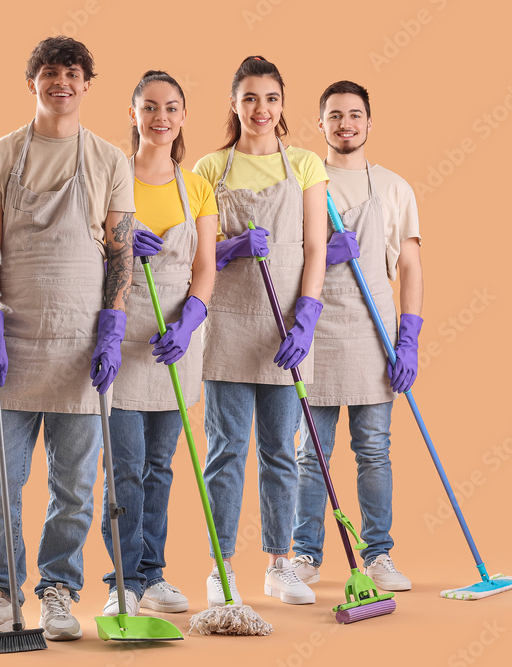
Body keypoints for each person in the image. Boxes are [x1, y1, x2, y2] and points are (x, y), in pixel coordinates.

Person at [0, 35, 135, 643]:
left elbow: (119, 251)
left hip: (83, 347)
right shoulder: (0, 156)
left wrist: (111, 328)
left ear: (87, 83)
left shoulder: (110, 160)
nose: (62, 82)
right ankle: (0, 595)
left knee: (75, 489)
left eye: (73, 73)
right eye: (50, 72)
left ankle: (58, 591)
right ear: (32, 82)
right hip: (14, 346)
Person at [193, 55, 328, 607]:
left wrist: (308, 317)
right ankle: (221, 569)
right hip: (226, 327)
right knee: (225, 451)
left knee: (279, 449)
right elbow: (196, 254)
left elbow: (316, 248)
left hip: (285, 329)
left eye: (271, 98)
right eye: (250, 98)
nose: (261, 109)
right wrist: (230, 248)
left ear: (282, 104)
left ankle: (279, 565)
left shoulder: (305, 166)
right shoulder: (208, 169)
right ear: (234, 104)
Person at [291, 80, 423, 592]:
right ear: (319, 124)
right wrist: (320, 253)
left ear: (369, 123)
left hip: (375, 336)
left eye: (355, 115)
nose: (345, 123)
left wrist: (408, 338)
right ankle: (303, 554)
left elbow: (410, 265)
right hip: (316, 332)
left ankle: (380, 554)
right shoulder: (304, 181)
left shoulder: (393, 187)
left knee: (373, 449)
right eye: (335, 115)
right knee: (310, 453)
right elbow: (285, 257)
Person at [99, 70, 218, 617]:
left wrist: (190, 323)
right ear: (133, 114)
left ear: (183, 117)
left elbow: (206, 269)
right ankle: (121, 579)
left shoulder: (196, 186)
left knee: (161, 466)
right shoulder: (111, 176)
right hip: (123, 336)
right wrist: (116, 247)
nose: (160, 117)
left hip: (175, 341)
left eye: (171, 108)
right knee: (125, 468)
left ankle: (153, 574)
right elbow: (86, 254)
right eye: (149, 107)